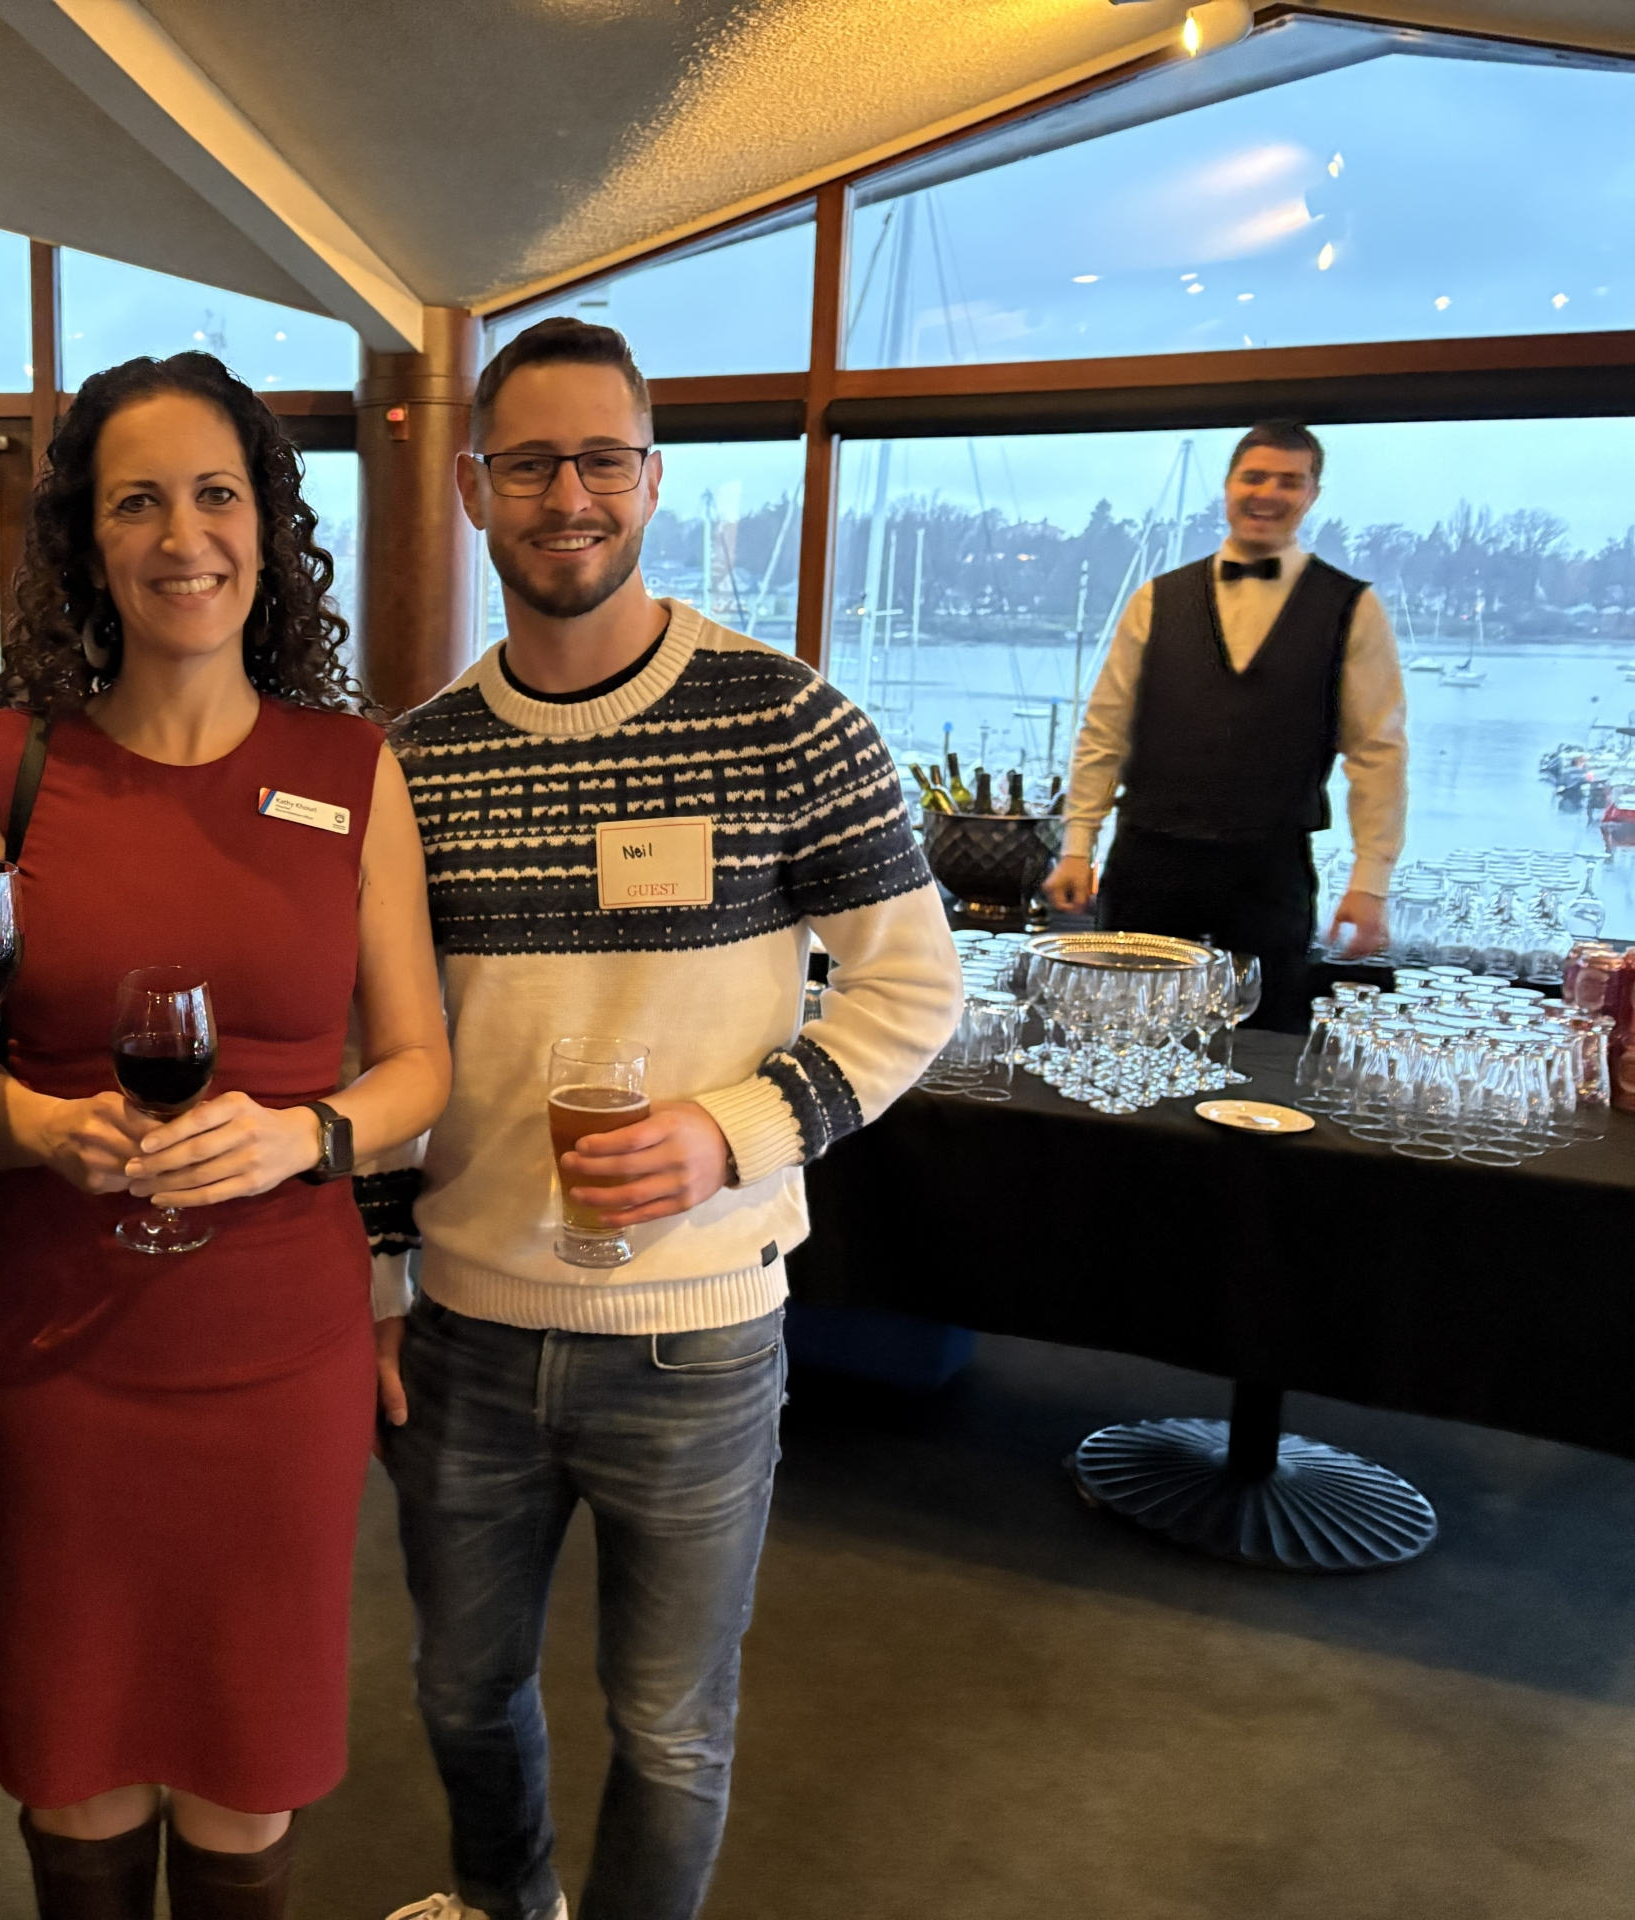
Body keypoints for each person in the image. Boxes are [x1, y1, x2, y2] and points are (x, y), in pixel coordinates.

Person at [371, 317, 963, 1920]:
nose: (568, 497)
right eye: (529, 464)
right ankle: (507, 1902)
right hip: (468, 1332)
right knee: (455, 1693)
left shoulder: (788, 717)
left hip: (698, 1336)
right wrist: (377, 1282)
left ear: (652, 478)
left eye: (601, 460)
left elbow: (915, 991)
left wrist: (733, 1132)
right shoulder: (415, 764)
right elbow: (386, 1046)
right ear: (475, 489)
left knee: (669, 1729)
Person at [0, 352, 450, 1920]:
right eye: (136, 502)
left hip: (278, 1352)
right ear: (86, 541)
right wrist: (38, 1123)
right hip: (58, 1350)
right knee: (76, 1754)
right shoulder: (3, 768)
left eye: (216, 494)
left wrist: (307, 1138)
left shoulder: (352, 769)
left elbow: (422, 1067)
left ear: (268, 528)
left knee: (245, 1760)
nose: (182, 536)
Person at [1041, 420, 1409, 1029]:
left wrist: (1370, 883)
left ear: (1312, 494)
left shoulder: (1352, 607)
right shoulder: (1155, 599)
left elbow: (1378, 754)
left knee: (1268, 1039)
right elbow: (1104, 732)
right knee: (1128, 1032)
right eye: (1254, 477)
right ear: (1228, 485)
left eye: (1288, 481)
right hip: (1149, 858)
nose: (1268, 494)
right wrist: (1078, 846)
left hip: (1271, 865)